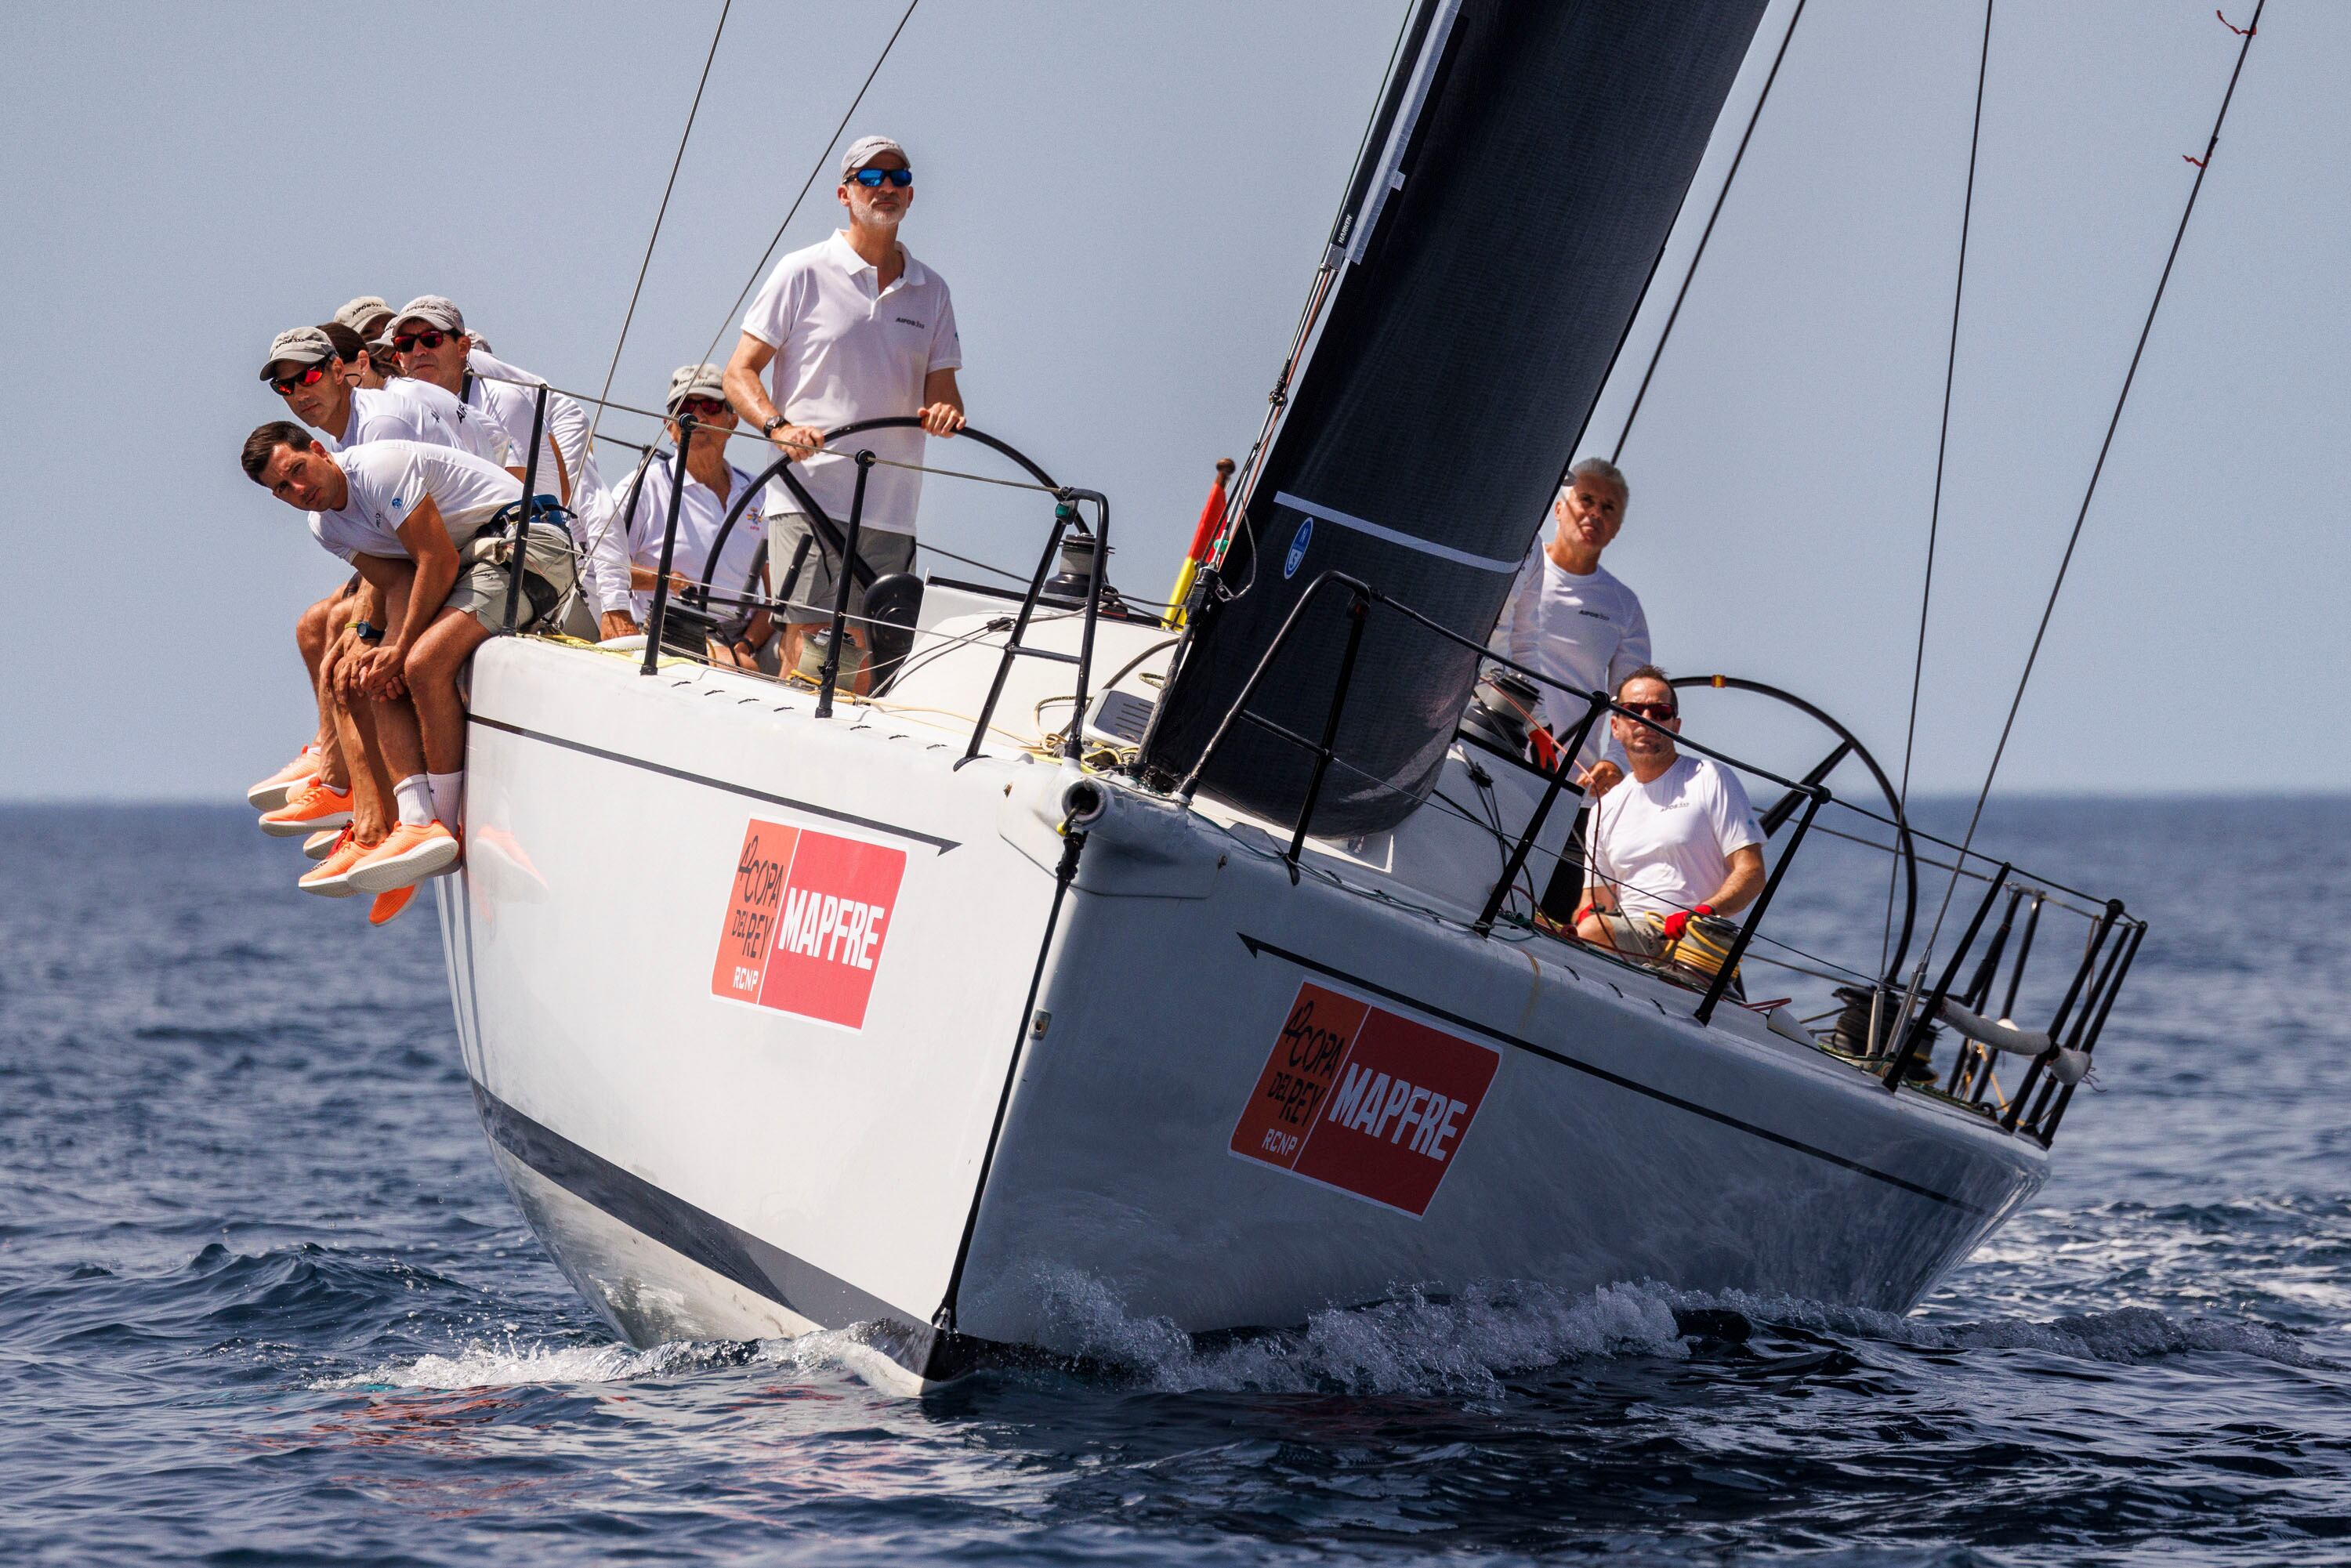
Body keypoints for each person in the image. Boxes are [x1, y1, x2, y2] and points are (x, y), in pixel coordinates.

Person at [241, 426, 578, 900]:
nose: (298, 489)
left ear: (319, 450)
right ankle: (414, 822)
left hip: (529, 546)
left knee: (421, 664)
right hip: (471, 566)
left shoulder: (379, 470)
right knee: (371, 672)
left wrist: (400, 647)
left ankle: (441, 824)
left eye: (297, 470)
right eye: (282, 488)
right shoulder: (326, 526)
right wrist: (375, 646)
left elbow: (434, 560)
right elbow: (399, 581)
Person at [723, 134, 963, 675]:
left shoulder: (933, 291)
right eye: (870, 178)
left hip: (892, 511)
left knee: (864, 670)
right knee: (807, 657)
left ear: (911, 195)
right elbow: (737, 373)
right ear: (844, 193)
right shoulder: (803, 270)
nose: (886, 188)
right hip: (809, 497)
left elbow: (944, 396)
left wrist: (946, 414)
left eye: (897, 178)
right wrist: (776, 425)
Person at [1576, 667, 1765, 959]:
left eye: (1660, 711)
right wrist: (1575, 922)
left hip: (1695, 943)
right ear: (1615, 727)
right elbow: (1594, 899)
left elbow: (1751, 873)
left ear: (1676, 725)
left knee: (1590, 932)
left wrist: (1703, 912)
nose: (1646, 719)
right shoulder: (1606, 807)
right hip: (1629, 938)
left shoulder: (1710, 778)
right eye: (1633, 710)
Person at [607, 364, 773, 667]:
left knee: (811, 648)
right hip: (670, 628)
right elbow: (605, 565)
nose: (697, 417)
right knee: (733, 666)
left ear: (733, 420)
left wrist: (746, 645)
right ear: (669, 424)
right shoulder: (644, 487)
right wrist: (666, 580)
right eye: (684, 408)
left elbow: (775, 598)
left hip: (746, 636)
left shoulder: (759, 492)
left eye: (709, 406)